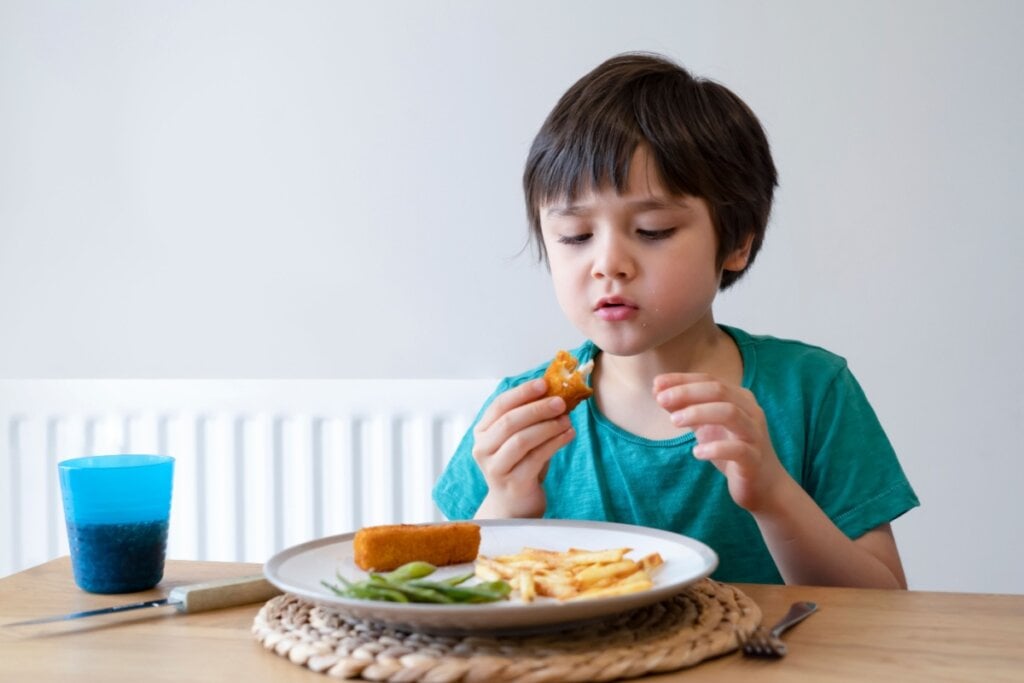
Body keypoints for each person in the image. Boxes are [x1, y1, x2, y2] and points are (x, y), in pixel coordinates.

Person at [432, 52, 919, 587]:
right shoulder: (520, 417)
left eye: (653, 229)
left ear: (736, 243)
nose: (608, 264)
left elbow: (884, 605)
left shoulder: (811, 391)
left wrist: (774, 495)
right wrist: (505, 504)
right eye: (575, 236)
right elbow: (441, 602)